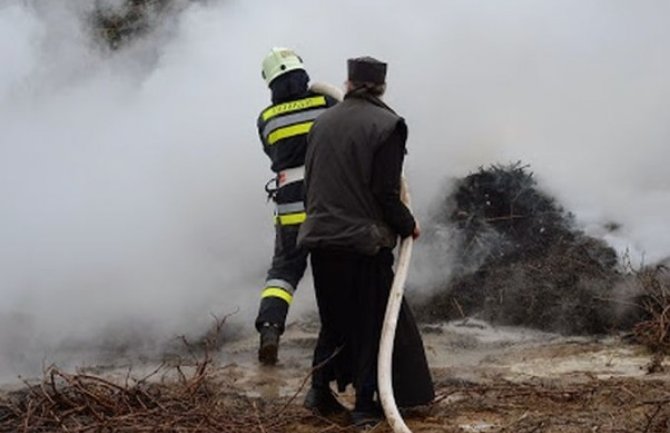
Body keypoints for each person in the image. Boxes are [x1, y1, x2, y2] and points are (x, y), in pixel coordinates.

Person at [298, 56, 434, 426]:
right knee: (370, 323)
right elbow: (385, 192)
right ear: (382, 87)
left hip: (320, 239)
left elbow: (311, 183)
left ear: (349, 82)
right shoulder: (389, 125)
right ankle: (363, 408)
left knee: (333, 319)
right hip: (362, 244)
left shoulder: (322, 122)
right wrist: (408, 224)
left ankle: (318, 393)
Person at [254, 47, 340, 365]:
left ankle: (270, 329)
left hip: (290, 204)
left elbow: (272, 155)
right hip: (326, 199)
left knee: (284, 271)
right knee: (334, 267)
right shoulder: (326, 103)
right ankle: (337, 340)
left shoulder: (266, 119)